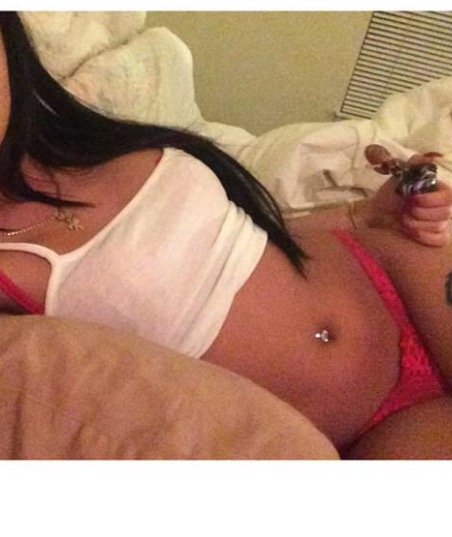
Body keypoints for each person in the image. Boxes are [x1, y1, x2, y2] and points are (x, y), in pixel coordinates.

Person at [0, 12, 451, 459]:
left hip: (391, 270)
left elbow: (246, 241)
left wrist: (364, 214)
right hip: (368, 423)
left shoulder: (83, 136)